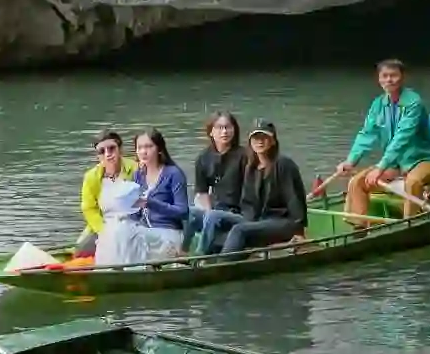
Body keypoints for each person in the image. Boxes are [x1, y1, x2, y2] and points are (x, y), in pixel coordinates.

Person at [332, 59, 430, 220]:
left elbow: (402, 137)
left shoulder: (414, 103)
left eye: (393, 75)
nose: (389, 80)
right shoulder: (378, 104)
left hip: (423, 159)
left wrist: (380, 167)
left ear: (402, 77)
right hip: (395, 163)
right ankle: (359, 227)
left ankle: (409, 223)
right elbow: (367, 134)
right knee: (357, 182)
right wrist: (351, 161)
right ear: (378, 79)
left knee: (412, 182)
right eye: (384, 76)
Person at [97, 129, 189, 266]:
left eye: (149, 146)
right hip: (145, 230)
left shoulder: (173, 173)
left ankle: (125, 270)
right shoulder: (138, 175)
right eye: (140, 148)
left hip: (168, 233)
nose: (143, 151)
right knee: (113, 228)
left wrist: (150, 203)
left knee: (124, 233)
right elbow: (136, 215)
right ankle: (110, 269)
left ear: (159, 149)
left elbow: (183, 212)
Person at [219, 119, 309, 258]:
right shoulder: (251, 168)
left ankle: (221, 268)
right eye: (256, 138)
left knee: (239, 230)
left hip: (284, 222)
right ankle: (204, 263)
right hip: (261, 221)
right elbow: (247, 203)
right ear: (250, 142)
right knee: (221, 234)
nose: (260, 141)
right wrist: (250, 224)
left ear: (273, 141)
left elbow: (294, 200)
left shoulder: (284, 165)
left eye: (264, 137)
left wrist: (299, 229)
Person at [184, 111, 249, 256]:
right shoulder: (203, 158)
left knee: (213, 216)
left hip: (239, 213)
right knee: (189, 212)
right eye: (219, 127)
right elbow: (202, 192)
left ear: (234, 130)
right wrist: (207, 211)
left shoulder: (245, 156)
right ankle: (182, 252)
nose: (224, 131)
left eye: (228, 127)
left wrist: (211, 215)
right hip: (215, 210)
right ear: (211, 132)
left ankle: (200, 256)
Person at [74, 130, 136, 257]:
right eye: (102, 151)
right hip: (103, 224)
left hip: (132, 222)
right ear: (98, 156)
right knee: (80, 250)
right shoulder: (91, 177)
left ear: (120, 149)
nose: (108, 154)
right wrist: (104, 231)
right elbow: (89, 209)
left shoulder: (137, 169)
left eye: (112, 148)